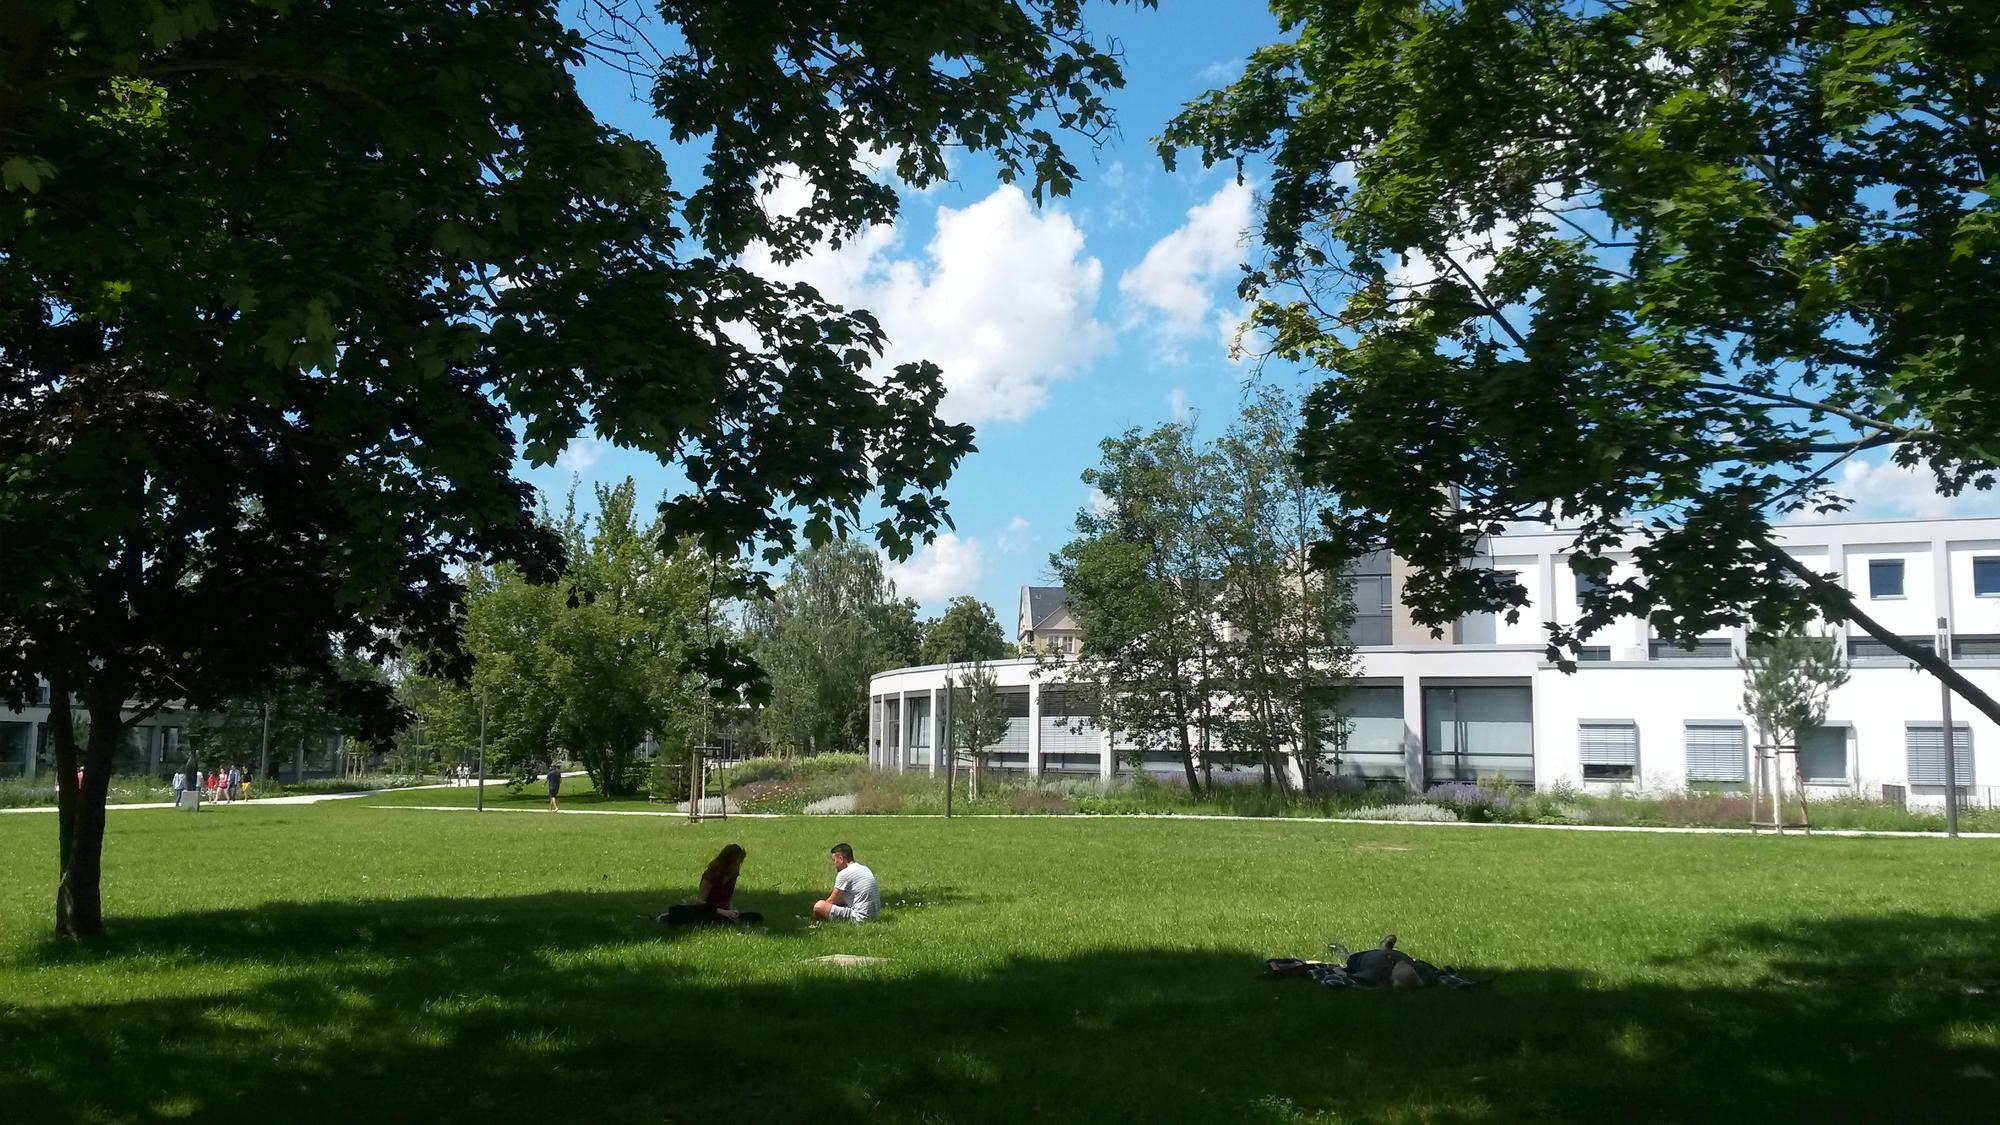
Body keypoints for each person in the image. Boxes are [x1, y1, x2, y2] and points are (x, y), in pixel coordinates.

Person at [659, 844, 764, 926]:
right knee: (723, 923)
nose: (739, 866)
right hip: (708, 911)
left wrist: (731, 911)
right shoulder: (711, 875)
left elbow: (729, 897)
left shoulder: (733, 874)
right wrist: (723, 912)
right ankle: (668, 917)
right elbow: (701, 902)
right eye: (737, 863)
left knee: (756, 917)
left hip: (724, 912)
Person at [812, 843, 879, 924]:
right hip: (875, 916)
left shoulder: (844, 873)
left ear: (841, 859)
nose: (833, 864)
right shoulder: (865, 868)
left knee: (819, 906)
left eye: (834, 860)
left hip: (859, 918)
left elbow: (832, 900)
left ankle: (813, 921)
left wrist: (817, 911)